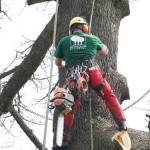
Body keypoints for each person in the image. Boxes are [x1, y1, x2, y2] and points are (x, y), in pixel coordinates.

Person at [53, 17, 127, 149]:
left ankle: (63, 141)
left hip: (74, 76)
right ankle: (121, 124)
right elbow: (105, 51)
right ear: (85, 28)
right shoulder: (92, 39)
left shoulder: (63, 41)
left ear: (71, 30)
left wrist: (66, 64)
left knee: (68, 107)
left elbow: (58, 63)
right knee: (108, 95)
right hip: (92, 71)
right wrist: (93, 43)